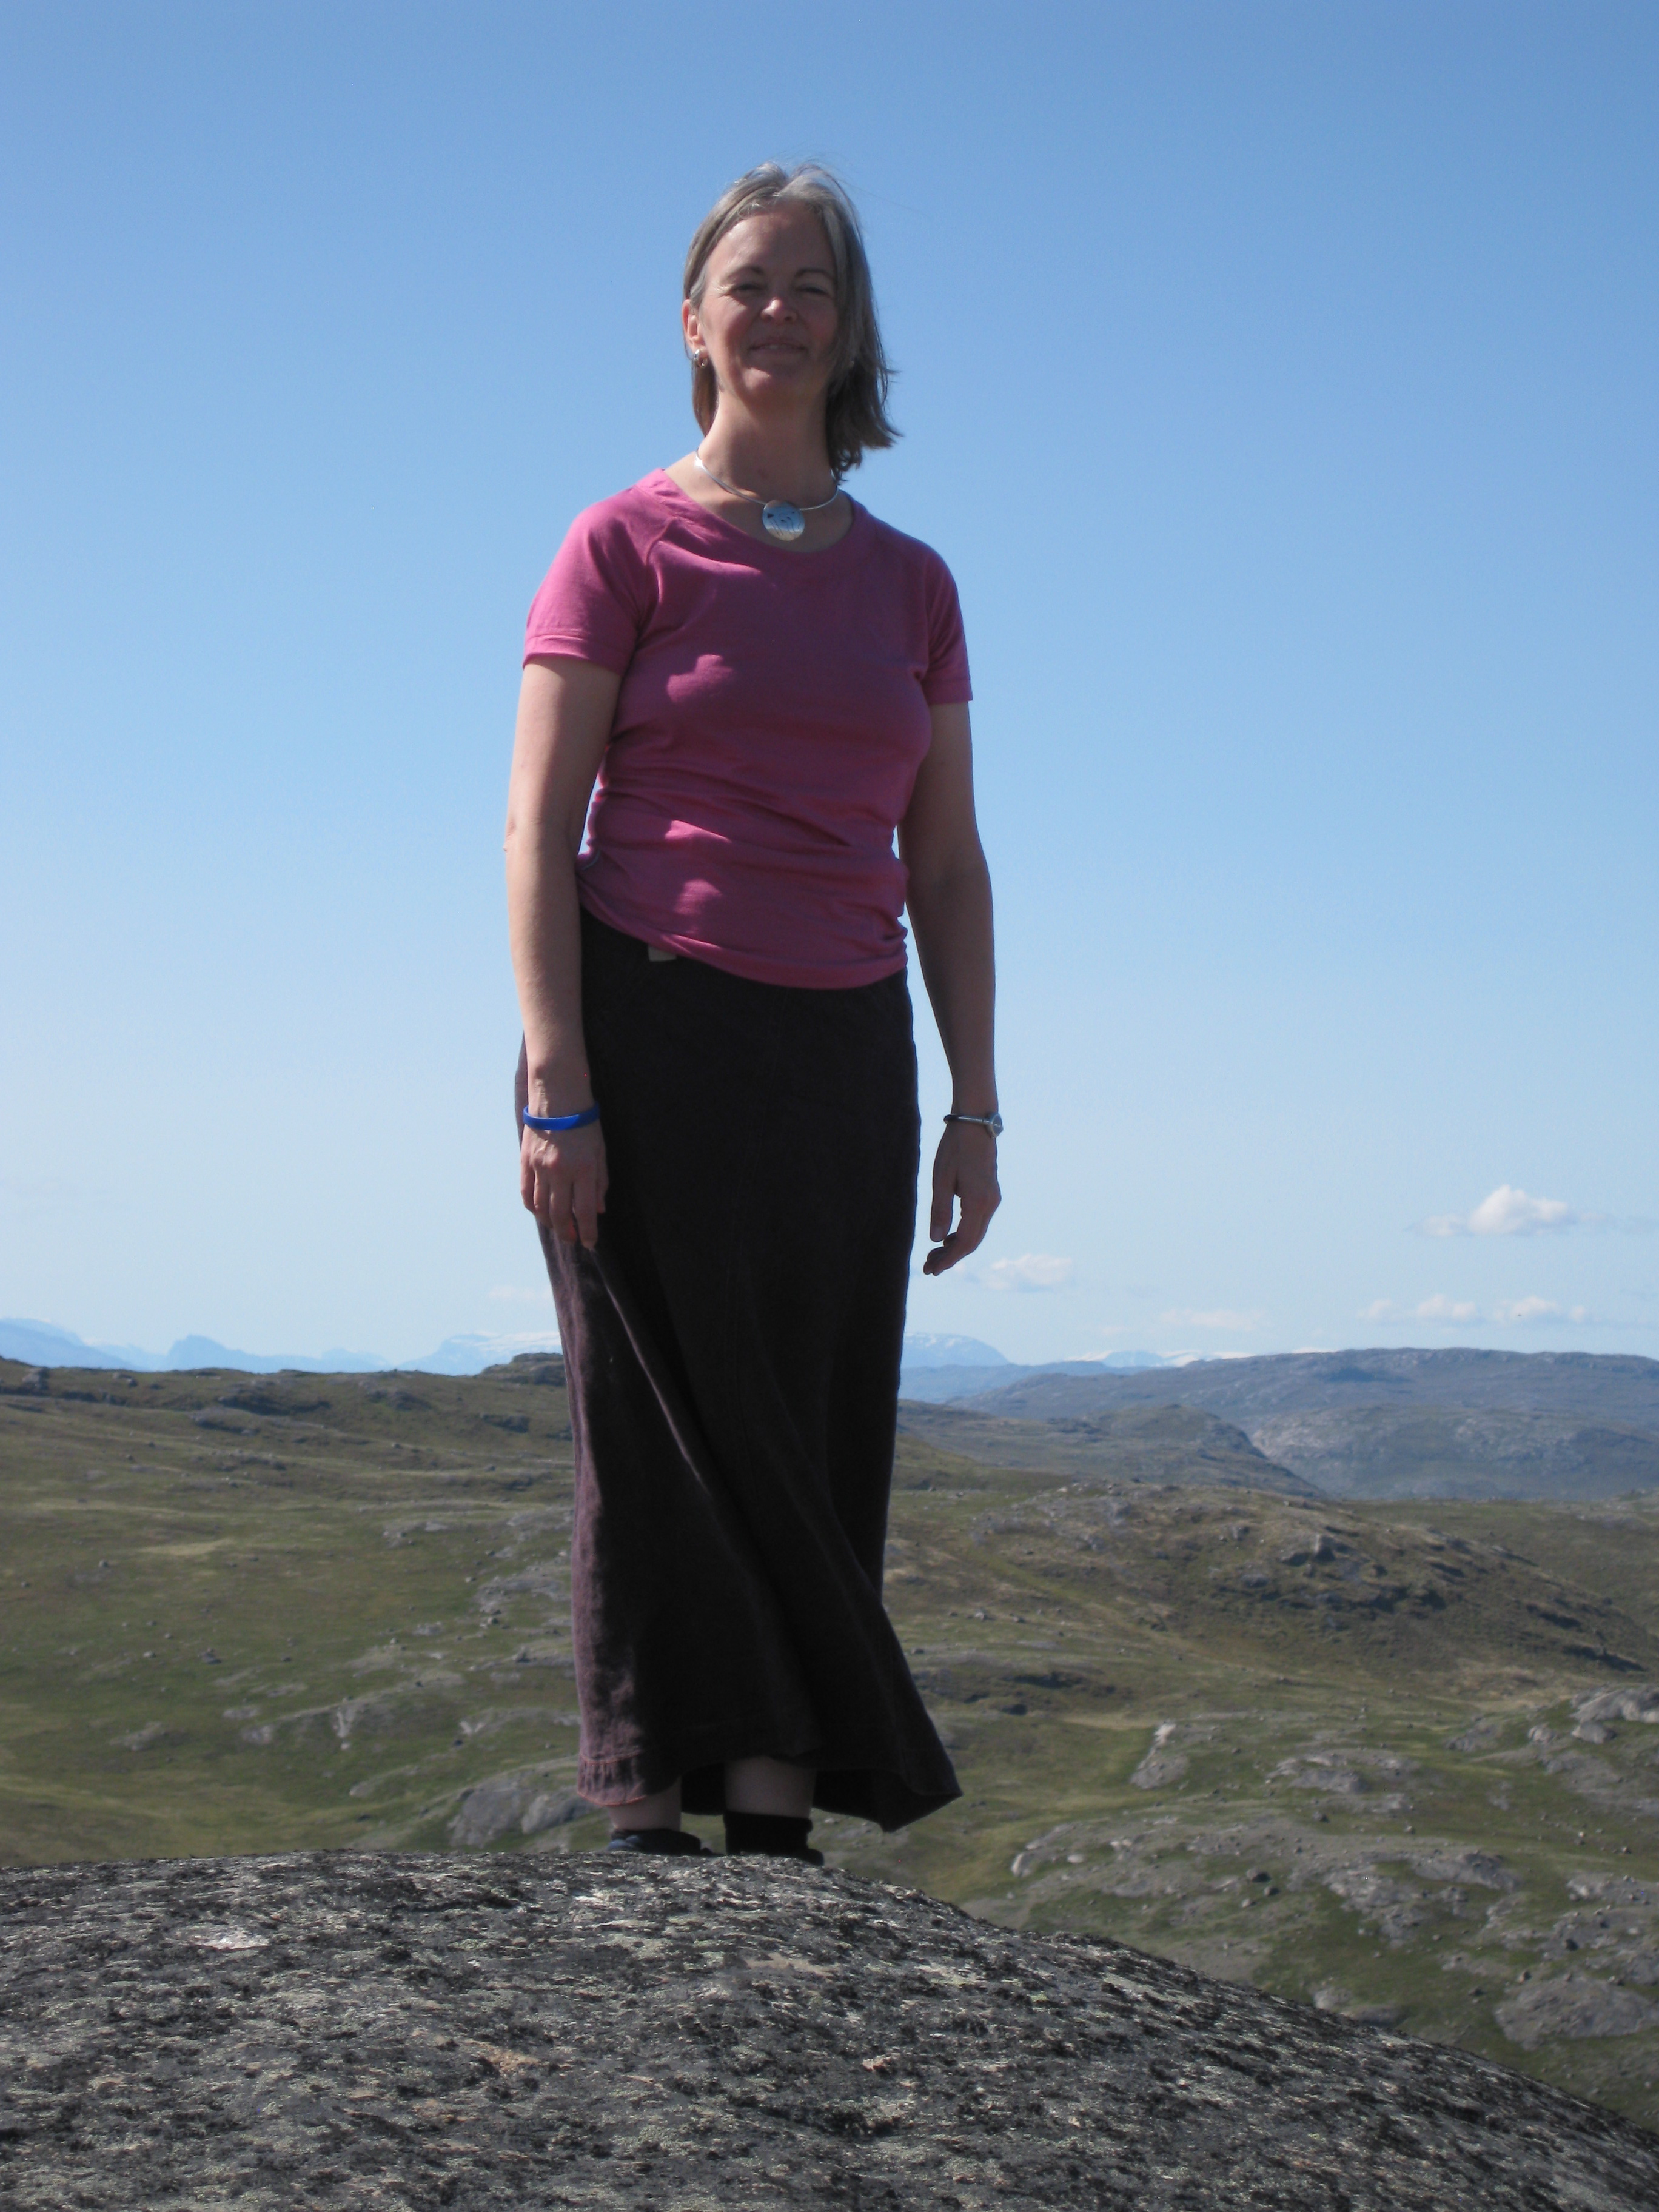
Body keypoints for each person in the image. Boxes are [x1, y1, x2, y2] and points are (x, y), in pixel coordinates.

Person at [504, 162, 1000, 1863]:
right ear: (693, 322)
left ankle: (772, 1839)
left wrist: (975, 1106)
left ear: (851, 332)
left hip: (844, 1048)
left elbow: (947, 863)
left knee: (810, 1428)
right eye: (749, 283)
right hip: (646, 1030)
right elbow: (537, 827)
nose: (779, 310)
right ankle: (649, 1825)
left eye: (813, 286)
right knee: (653, 1443)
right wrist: (559, 1084)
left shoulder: (914, 585)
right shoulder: (622, 543)